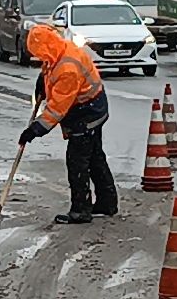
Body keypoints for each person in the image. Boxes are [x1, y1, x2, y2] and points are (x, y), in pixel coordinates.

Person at [19, 24, 115, 224]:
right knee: (95, 158)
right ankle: (107, 203)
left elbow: (57, 108)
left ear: (46, 47)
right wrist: (43, 81)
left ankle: (81, 210)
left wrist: (35, 129)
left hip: (86, 114)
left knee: (77, 163)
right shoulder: (61, 49)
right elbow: (51, 67)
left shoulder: (68, 68)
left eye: (39, 54)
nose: (39, 58)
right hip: (92, 108)